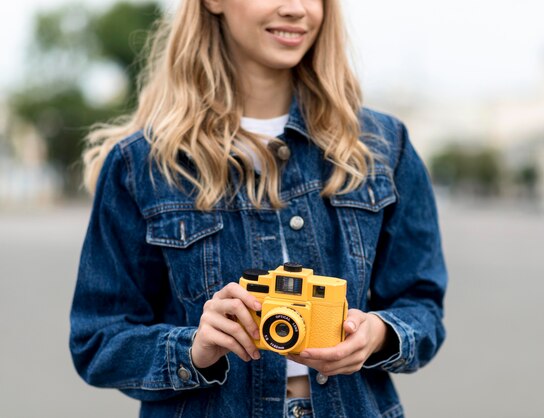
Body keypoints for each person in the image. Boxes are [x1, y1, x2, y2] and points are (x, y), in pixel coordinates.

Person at [69, 0, 448, 417]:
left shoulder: (382, 147)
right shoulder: (140, 164)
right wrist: (194, 348)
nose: (295, 9)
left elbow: (422, 305)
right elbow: (98, 341)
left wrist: (378, 334)